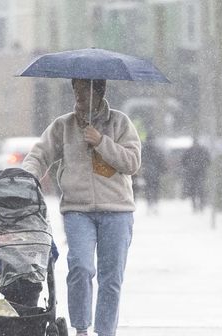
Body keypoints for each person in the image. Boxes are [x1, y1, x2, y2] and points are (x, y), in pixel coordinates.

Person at [22, 78, 141, 336]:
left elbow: (132, 163)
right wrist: (26, 177)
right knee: (81, 266)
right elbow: (39, 155)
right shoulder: (64, 126)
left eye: (83, 94)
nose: (78, 99)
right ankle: (81, 329)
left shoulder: (120, 123)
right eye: (75, 93)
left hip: (118, 210)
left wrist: (101, 142)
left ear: (99, 92)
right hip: (77, 210)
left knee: (111, 278)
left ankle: (105, 331)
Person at [180, 139, 210, 212]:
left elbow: (183, 161)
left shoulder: (190, 151)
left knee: (195, 189)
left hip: (193, 173)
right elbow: (208, 160)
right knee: (199, 189)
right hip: (198, 173)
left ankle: (196, 205)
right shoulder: (202, 151)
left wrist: (188, 167)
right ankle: (199, 205)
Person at [141, 133, 165, 213]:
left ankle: (149, 205)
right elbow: (161, 161)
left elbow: (141, 161)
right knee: (155, 189)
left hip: (147, 173)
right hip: (156, 173)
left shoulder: (144, 149)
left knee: (148, 189)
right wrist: (163, 170)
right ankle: (155, 205)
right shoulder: (157, 149)